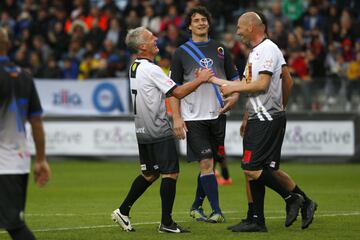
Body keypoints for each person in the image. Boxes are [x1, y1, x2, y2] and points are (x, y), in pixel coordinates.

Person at [210, 12, 314, 232]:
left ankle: (293, 199)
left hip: (267, 118)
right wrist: (250, 114)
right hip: (260, 116)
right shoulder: (258, 51)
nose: (237, 31)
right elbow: (287, 80)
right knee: (264, 169)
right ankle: (256, 218)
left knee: (251, 168)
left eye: (239, 27)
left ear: (252, 27)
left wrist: (274, 108)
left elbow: (262, 85)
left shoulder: (267, 49)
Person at [111, 26, 213, 233]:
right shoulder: (151, 69)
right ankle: (166, 223)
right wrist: (201, 79)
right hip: (157, 129)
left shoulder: (135, 67)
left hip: (142, 129)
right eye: (151, 38)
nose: (156, 39)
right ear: (142, 46)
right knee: (171, 173)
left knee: (150, 174)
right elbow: (177, 92)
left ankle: (123, 211)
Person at [169, 6, 240, 223]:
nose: (201, 23)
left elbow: (235, 79)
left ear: (208, 23)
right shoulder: (181, 53)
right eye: (196, 20)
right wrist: (177, 117)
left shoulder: (220, 49)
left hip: (217, 115)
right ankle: (217, 211)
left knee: (211, 163)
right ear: (189, 25)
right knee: (207, 162)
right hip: (193, 118)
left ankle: (196, 206)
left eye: (204, 20)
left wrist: (235, 98)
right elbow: (173, 89)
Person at [0, 27, 51, 240]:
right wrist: (40, 160)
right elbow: (36, 122)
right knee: (14, 224)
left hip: (4, 165)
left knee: (15, 226)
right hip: (17, 164)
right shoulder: (25, 77)